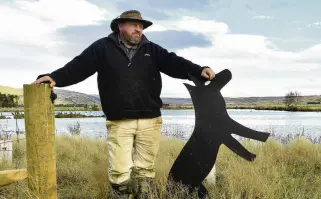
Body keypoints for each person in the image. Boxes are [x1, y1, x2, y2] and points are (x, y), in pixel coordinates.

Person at [32, 10, 216, 198]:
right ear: (120, 26)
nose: (139, 29)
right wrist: (55, 77)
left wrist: (199, 70)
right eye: (134, 25)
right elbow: (79, 66)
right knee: (120, 174)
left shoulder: (152, 50)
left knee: (145, 173)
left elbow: (175, 63)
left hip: (150, 120)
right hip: (119, 121)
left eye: (141, 26)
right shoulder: (102, 48)